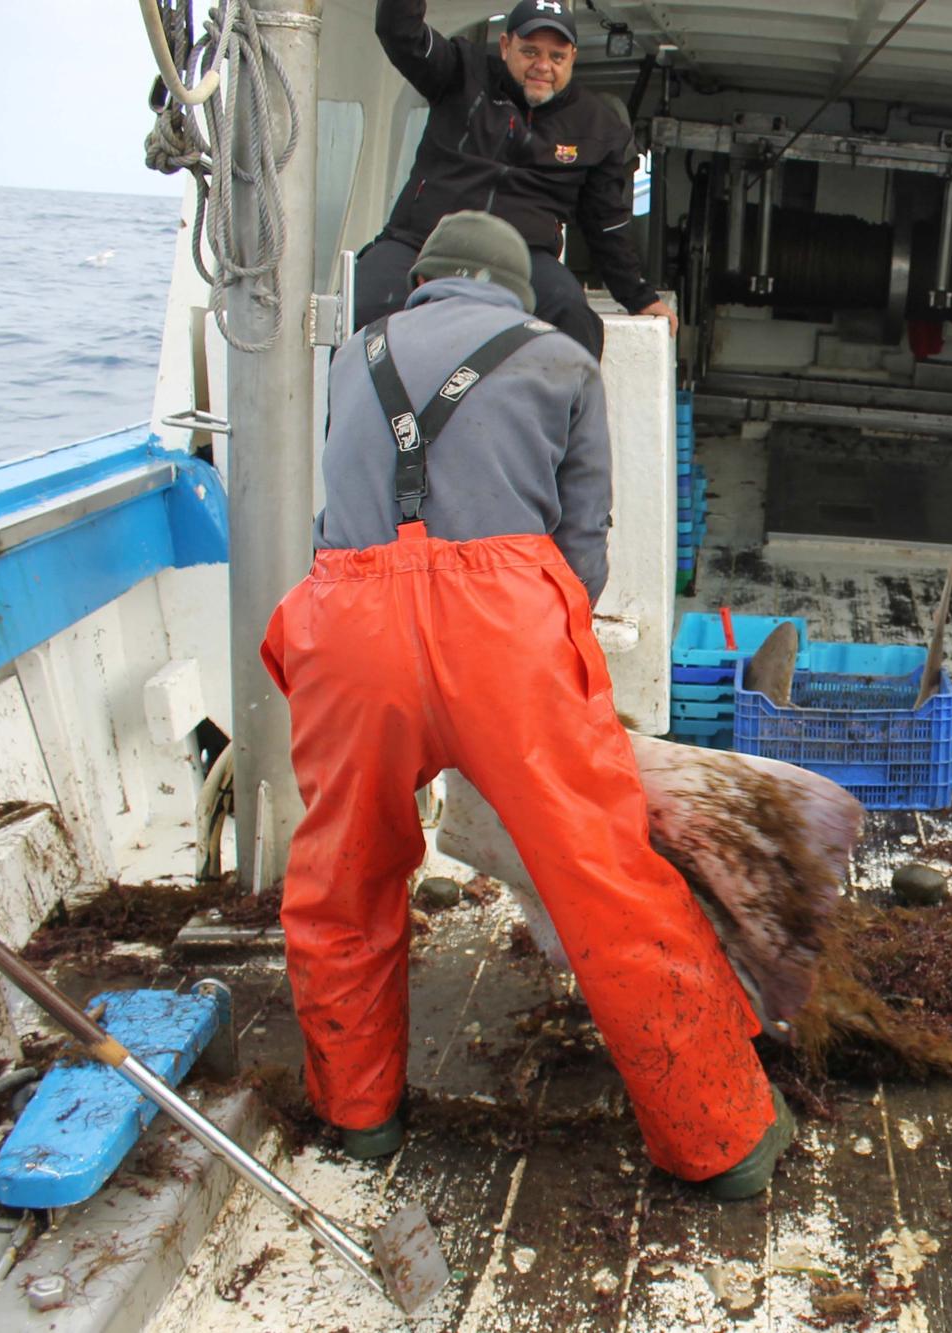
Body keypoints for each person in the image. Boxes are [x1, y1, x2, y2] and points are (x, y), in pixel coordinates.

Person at [261, 212, 792, 1197]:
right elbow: (581, 545)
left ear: (423, 282)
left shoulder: (352, 352)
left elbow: (335, 504)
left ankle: (359, 1118)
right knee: (606, 879)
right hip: (500, 629)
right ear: (514, 289)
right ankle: (725, 1139)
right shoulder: (558, 360)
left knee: (343, 878)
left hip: (347, 623)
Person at [356, 0, 677, 357]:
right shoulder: (461, 72)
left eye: (556, 57)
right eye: (530, 51)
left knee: (572, 318)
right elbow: (400, 33)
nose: (543, 66)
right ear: (506, 45)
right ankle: (357, 412)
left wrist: (638, 296)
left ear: (572, 56)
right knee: (369, 304)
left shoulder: (599, 127)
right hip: (419, 240)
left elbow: (606, 227)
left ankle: (555, 413)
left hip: (522, 257)